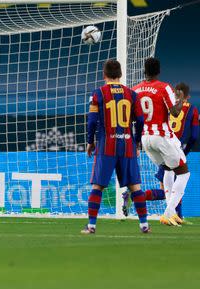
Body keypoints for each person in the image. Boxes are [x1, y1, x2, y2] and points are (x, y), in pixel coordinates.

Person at [82, 59, 148, 234]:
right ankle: (144, 225)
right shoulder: (133, 95)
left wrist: (90, 141)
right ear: (120, 75)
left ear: (104, 75)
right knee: (135, 186)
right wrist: (137, 142)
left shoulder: (98, 94)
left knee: (98, 186)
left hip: (106, 145)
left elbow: (92, 121)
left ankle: (91, 226)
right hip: (127, 144)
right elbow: (141, 120)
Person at [123, 82, 198, 222]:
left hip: (155, 142)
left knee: (171, 181)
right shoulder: (191, 109)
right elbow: (193, 136)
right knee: (177, 181)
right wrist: (185, 151)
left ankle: (176, 215)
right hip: (170, 145)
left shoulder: (165, 102)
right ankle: (137, 197)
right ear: (187, 96)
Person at [132, 57, 189, 226]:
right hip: (161, 136)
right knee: (184, 173)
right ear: (158, 71)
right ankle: (168, 212)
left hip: (145, 139)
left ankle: (171, 214)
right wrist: (180, 100)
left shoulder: (135, 90)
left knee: (167, 170)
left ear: (144, 71)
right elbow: (176, 113)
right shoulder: (164, 87)